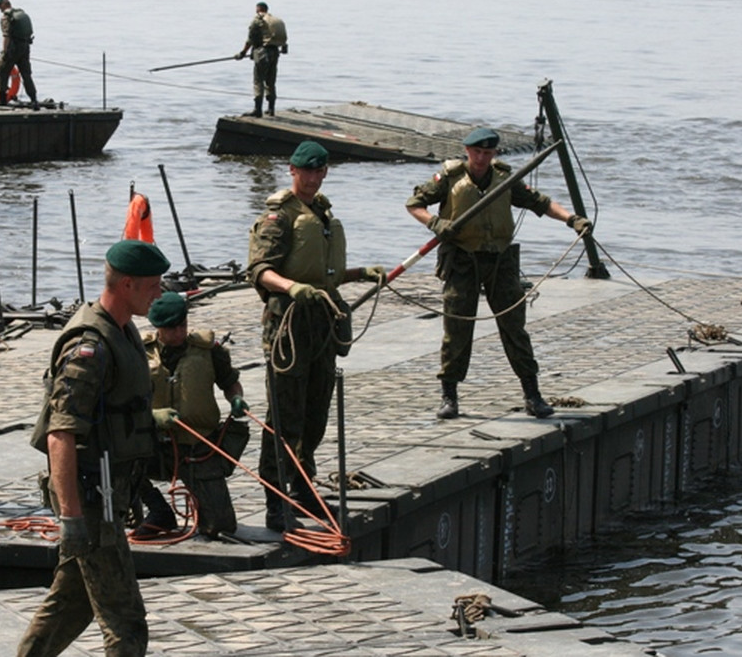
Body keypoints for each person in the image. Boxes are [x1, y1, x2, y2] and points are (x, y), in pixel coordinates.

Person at [17, 240, 170, 657]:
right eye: (153, 285)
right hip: (91, 497)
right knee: (125, 621)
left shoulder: (123, 327)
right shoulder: (91, 346)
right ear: (126, 284)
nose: (160, 292)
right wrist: (71, 518)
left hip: (109, 492)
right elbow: (60, 433)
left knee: (71, 602)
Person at [404, 127, 593, 420]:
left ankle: (533, 394)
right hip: (462, 261)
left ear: (494, 154)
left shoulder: (506, 180)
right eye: (476, 152)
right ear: (467, 152)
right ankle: (449, 396)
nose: (481, 158)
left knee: (514, 327)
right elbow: (414, 204)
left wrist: (572, 220)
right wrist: (435, 224)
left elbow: (541, 204)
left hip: (500, 262)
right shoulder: (450, 178)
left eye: (487, 153)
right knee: (457, 329)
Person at [246, 140, 384, 531]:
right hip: (288, 323)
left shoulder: (321, 214)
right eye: (305, 171)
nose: (312, 178)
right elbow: (259, 270)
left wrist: (359, 274)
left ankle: (304, 489)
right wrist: (290, 288)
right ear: (292, 170)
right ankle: (275, 500)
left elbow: (325, 273)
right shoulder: (279, 218)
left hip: (323, 321)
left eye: (319, 171)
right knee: (284, 417)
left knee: (314, 416)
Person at [135, 291, 248, 539]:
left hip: (197, 447)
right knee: (116, 459)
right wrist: (152, 416)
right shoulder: (138, 354)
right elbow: (123, 401)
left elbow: (230, 382)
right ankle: (157, 509)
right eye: (171, 328)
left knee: (220, 526)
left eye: (182, 326)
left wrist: (236, 399)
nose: (178, 333)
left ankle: (203, 505)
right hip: (151, 443)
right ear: (158, 328)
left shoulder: (209, 351)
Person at [235, 1, 287, 118]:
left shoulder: (258, 20)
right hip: (274, 52)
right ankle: (271, 109)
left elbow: (250, 40)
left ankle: (257, 110)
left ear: (258, 9)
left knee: (258, 81)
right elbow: (283, 39)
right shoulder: (275, 21)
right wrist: (283, 47)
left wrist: (242, 53)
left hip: (262, 53)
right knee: (271, 81)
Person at [0, 0, 39, 110]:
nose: (1, 11)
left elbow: (6, 36)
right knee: (26, 74)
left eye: (0, 8)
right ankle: (34, 100)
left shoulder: (6, 17)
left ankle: (2, 100)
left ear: (3, 6)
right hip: (25, 47)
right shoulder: (20, 13)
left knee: (2, 71)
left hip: (14, 48)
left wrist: (4, 52)